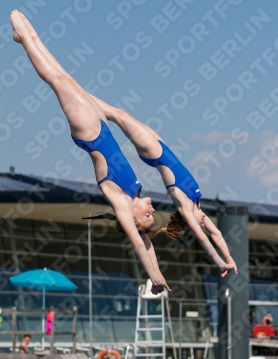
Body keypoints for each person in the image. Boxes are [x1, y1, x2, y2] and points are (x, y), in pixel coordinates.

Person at [9, 10, 169, 294]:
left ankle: (25, 39)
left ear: (131, 219)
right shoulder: (131, 193)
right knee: (64, 77)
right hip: (101, 128)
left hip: (91, 134)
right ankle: (28, 36)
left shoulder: (120, 201)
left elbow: (138, 242)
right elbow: (147, 242)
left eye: (148, 215)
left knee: (57, 80)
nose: (152, 209)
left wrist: (154, 277)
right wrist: (159, 272)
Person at [86, 96, 238, 277]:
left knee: (117, 114)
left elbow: (204, 238)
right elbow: (216, 234)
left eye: (199, 225)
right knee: (117, 114)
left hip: (153, 151)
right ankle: (82, 96)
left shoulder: (185, 206)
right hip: (162, 147)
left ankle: (81, 95)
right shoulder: (197, 205)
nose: (205, 224)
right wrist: (228, 257)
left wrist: (219, 262)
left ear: (187, 222)